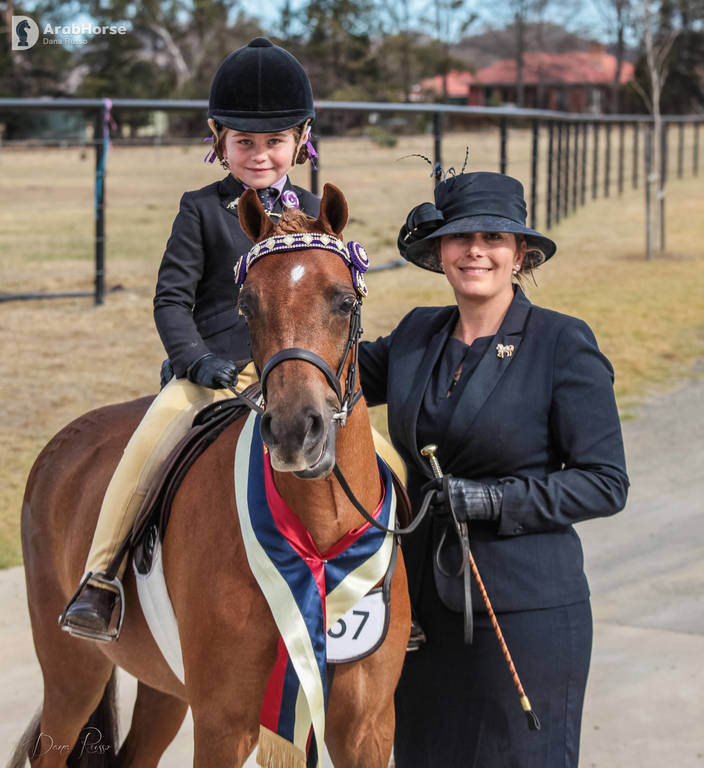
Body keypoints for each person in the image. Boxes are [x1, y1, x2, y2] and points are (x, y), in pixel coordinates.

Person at [359, 171, 629, 767]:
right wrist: (213, 362)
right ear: (439, 251)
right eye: (459, 237)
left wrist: (493, 501)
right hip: (420, 619)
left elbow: (606, 482)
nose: (475, 249)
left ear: (519, 254)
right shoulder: (413, 336)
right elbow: (322, 372)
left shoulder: (562, 342)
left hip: (525, 616)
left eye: (493, 238)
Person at [62, 38, 320, 641]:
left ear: (299, 140)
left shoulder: (311, 209)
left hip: (292, 371)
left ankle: (387, 572)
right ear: (218, 138)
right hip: (211, 374)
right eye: (244, 142)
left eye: (274, 141)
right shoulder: (201, 211)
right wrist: (196, 360)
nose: (260, 155)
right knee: (147, 446)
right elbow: (171, 299)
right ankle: (101, 576)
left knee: (374, 450)